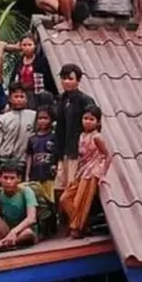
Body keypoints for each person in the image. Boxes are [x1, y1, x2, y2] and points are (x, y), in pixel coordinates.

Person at [60, 105, 112, 238]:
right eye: (85, 118)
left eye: (91, 119)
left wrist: (103, 174)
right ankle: (81, 224)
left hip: (92, 171)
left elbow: (107, 155)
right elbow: (81, 157)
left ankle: (77, 228)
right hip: (82, 170)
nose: (88, 121)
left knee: (81, 200)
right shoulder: (82, 135)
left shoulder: (97, 137)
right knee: (65, 198)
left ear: (98, 122)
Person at [51, 64, 96, 201]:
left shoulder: (85, 101)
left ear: (78, 80)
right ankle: (61, 220)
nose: (66, 82)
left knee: (71, 189)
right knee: (58, 188)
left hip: (76, 151)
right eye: (64, 78)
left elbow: (93, 125)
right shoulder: (60, 99)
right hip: (62, 151)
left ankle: (74, 221)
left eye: (70, 79)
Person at [0, 83, 36, 177]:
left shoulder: (33, 116)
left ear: (26, 99)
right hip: (4, 161)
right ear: (10, 99)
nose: (19, 99)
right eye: (16, 96)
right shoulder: (4, 119)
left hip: (22, 162)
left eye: (22, 96)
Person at [25, 107, 58, 233]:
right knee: (39, 202)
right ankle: (43, 228)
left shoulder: (54, 137)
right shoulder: (32, 139)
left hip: (50, 175)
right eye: (40, 118)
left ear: (51, 120)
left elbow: (57, 156)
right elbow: (29, 157)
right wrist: (27, 175)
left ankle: (53, 226)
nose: (43, 121)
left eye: (46, 118)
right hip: (36, 176)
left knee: (51, 201)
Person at [6, 33, 55, 110]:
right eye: (24, 45)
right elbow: (13, 80)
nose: (27, 48)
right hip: (22, 95)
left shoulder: (40, 61)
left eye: (29, 45)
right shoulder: (19, 63)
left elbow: (48, 79)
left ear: (34, 46)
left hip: (37, 94)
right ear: (20, 46)